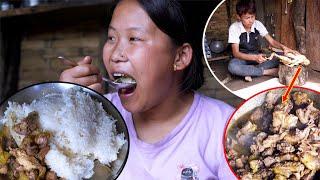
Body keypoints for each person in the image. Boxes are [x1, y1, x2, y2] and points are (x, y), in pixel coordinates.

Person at [60, 0, 235, 179]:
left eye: (134, 38)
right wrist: (68, 109)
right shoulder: (96, 114)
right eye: (111, 38)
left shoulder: (226, 128)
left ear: (180, 57)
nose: (114, 55)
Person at [228, 0, 299, 82]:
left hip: (258, 56)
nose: (251, 20)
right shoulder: (234, 28)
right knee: (232, 67)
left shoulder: (257, 24)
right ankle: (267, 72)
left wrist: (284, 48)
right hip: (241, 59)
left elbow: (272, 41)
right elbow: (236, 53)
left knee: (284, 56)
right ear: (239, 17)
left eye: (253, 16)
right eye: (247, 18)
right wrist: (254, 58)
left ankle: (249, 72)